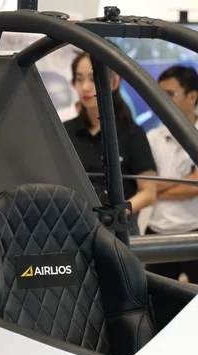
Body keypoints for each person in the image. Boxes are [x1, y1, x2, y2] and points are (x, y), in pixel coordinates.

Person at [145, 65, 198, 284]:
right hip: (159, 231)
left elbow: (197, 187)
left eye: (170, 94)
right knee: (154, 300)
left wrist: (154, 189)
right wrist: (153, 188)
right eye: (159, 94)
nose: (162, 101)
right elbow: (143, 187)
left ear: (193, 96)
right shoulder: (152, 137)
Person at [63, 52, 156, 235]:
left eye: (93, 79)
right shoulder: (64, 131)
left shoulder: (132, 133)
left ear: (114, 83)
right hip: (76, 229)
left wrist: (114, 214)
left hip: (121, 230)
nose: (86, 87)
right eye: (79, 80)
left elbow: (149, 193)